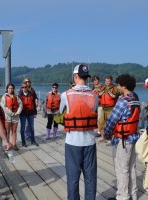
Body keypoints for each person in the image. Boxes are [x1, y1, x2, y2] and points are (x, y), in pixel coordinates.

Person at [60, 64, 98, 200]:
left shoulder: (65, 95)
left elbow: (60, 113)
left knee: (73, 178)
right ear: (87, 77)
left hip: (72, 142)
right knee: (91, 178)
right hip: (90, 142)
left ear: (75, 76)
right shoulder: (94, 96)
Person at [104, 74, 140, 200]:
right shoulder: (136, 99)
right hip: (133, 138)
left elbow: (111, 121)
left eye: (119, 84)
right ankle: (133, 194)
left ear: (123, 86)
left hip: (122, 140)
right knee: (131, 167)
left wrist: (107, 135)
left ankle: (122, 196)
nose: (118, 86)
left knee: (121, 169)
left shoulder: (123, 102)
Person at [0, 83, 23, 150]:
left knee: (14, 131)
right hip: (8, 117)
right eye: (9, 88)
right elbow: (4, 107)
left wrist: (18, 112)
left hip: (15, 116)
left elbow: (20, 105)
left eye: (12, 88)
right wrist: (11, 113)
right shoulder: (4, 97)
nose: (10, 89)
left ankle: (14, 144)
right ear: (7, 89)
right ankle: (7, 144)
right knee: (7, 131)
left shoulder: (16, 96)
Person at [98, 75, 119, 142]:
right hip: (103, 108)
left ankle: (110, 139)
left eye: (109, 81)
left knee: (111, 124)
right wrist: (101, 92)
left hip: (111, 108)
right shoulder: (102, 87)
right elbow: (99, 94)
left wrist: (110, 93)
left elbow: (115, 96)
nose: (107, 82)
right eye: (106, 81)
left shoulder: (115, 88)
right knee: (101, 123)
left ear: (111, 81)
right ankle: (102, 137)